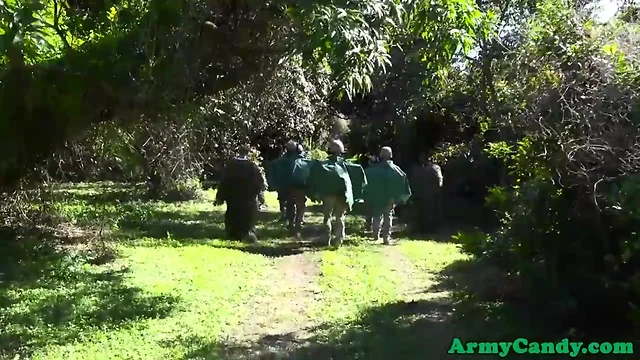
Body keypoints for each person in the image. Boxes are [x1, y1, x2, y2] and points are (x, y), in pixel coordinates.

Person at [307, 139, 367, 247]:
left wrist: (316, 193)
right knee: (339, 217)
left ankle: (326, 239)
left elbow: (314, 179)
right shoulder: (347, 166)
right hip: (342, 195)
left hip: (328, 195)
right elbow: (358, 176)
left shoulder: (321, 165)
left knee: (327, 217)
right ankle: (339, 240)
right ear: (342, 150)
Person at [215, 144, 266, 242]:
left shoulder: (231, 165)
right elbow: (259, 182)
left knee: (232, 213)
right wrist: (259, 194)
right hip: (248, 195)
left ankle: (232, 233)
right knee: (246, 214)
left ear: (239, 152)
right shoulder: (252, 166)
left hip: (233, 194)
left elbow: (224, 181)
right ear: (248, 153)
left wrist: (220, 196)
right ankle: (245, 233)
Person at [363, 147, 412, 244]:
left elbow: (366, 179)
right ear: (391, 155)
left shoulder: (373, 170)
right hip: (391, 198)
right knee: (388, 215)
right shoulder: (396, 170)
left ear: (381, 155)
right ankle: (386, 237)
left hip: (377, 196)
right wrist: (398, 196)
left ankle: (375, 235)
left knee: (377, 214)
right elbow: (403, 180)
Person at [409, 152, 444, 234]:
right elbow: (439, 182)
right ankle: (431, 229)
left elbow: (413, 181)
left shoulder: (417, 169)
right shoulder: (435, 168)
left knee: (423, 212)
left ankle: (423, 229)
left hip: (422, 194)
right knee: (431, 212)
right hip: (431, 194)